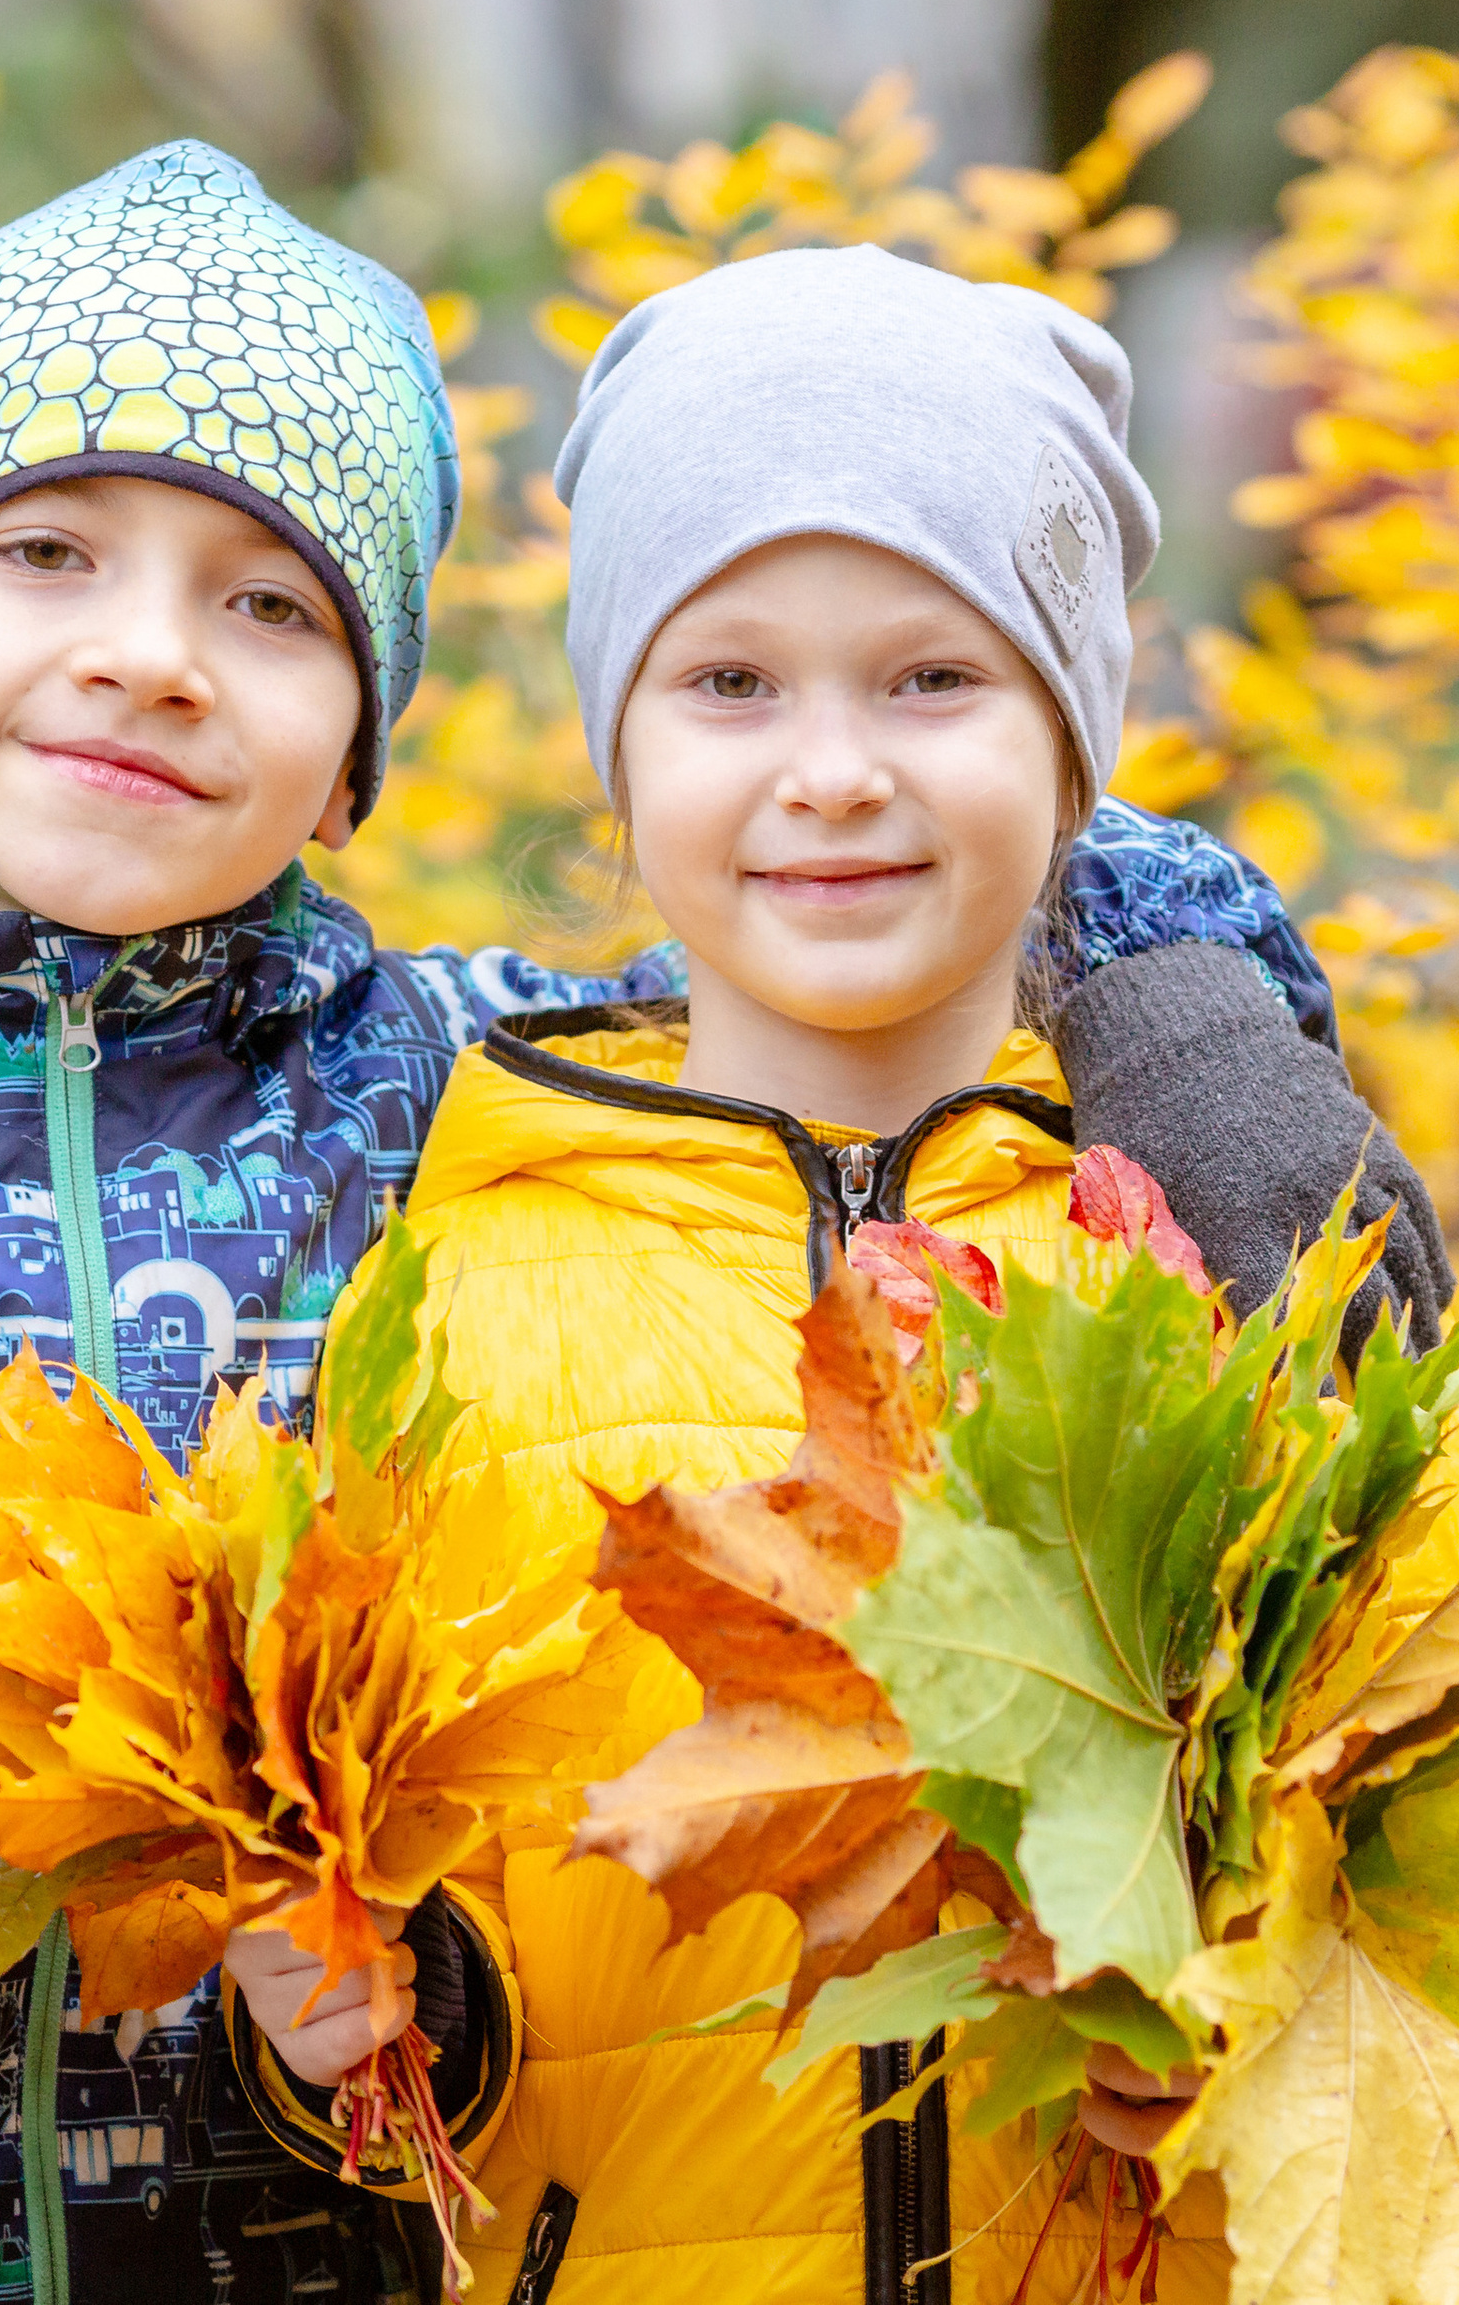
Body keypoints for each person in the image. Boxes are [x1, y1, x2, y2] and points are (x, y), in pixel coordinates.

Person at [0, 159, 1427, 2305]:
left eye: (269, 604)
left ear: (358, 754)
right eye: (44, 549)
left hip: (269, 2235)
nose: (153, 655)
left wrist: (1174, 998)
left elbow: (878, 901)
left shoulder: (428, 1097)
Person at [221, 243, 1441, 2303]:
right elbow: (401, 1916)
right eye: (727, 682)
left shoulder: (1197, 1257)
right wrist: (339, 2018)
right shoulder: (451, 1282)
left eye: (929, 675)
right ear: (618, 748)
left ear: (1072, 746)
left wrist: (1247, 2005)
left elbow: (1389, 1837)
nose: (830, 768)